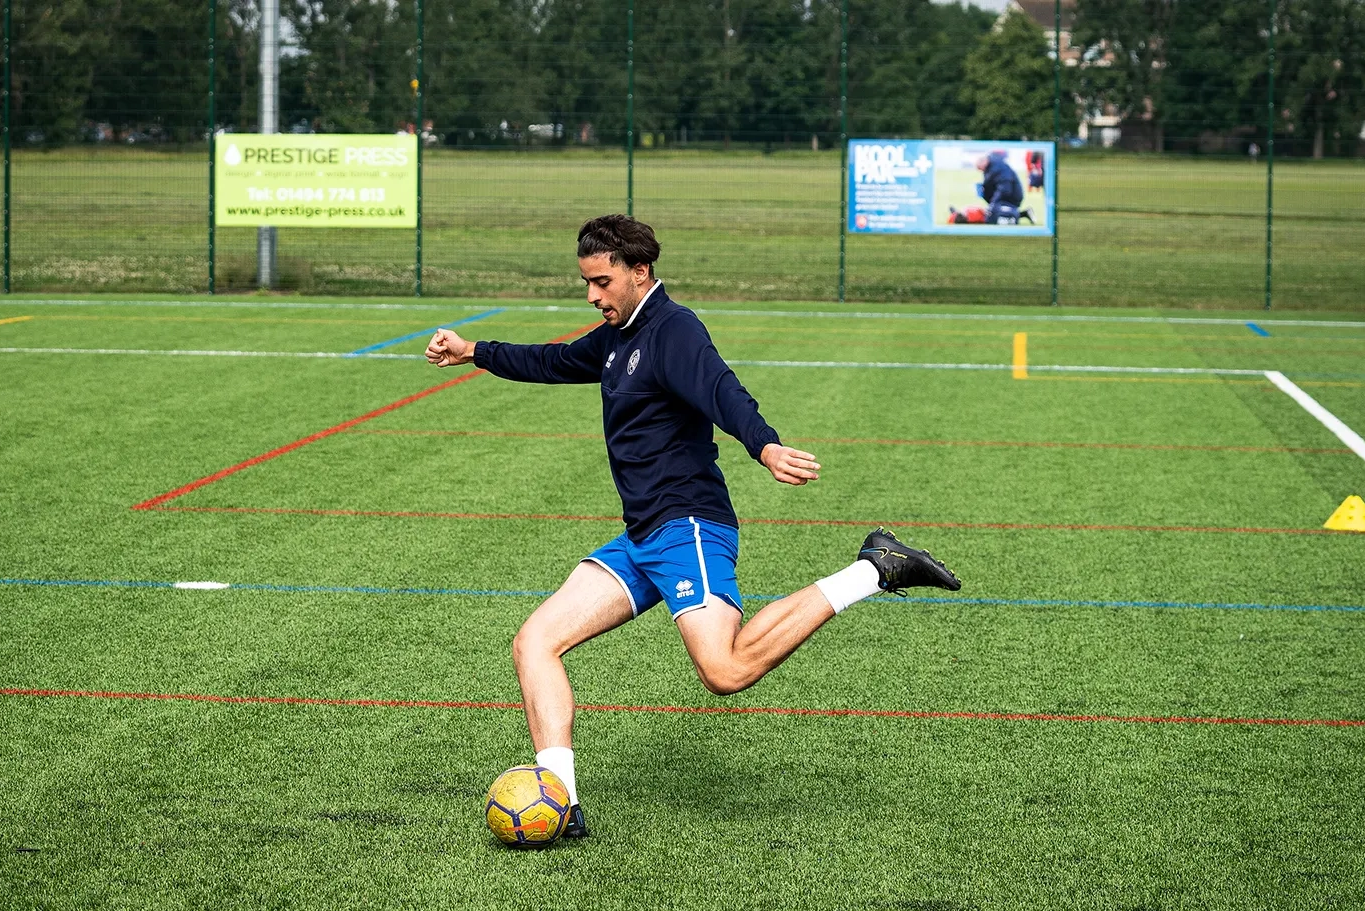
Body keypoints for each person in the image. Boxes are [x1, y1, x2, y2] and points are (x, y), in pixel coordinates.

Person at [425, 215, 961, 838]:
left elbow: (721, 389)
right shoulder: (616, 335)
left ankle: (874, 569)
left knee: (725, 672)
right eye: (586, 284)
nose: (593, 296)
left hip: (689, 527)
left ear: (639, 272)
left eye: (601, 282)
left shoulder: (674, 330)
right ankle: (561, 802)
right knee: (535, 642)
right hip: (642, 536)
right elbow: (555, 360)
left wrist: (764, 446)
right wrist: (474, 353)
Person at [972, 151, 1025, 224]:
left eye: (981, 168)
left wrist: (993, 203)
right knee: (993, 211)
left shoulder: (999, 168)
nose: (981, 171)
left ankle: (1018, 214)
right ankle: (1022, 214)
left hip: (1011, 198)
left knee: (993, 215)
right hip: (1007, 196)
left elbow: (1005, 189)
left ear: (984, 162)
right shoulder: (992, 167)